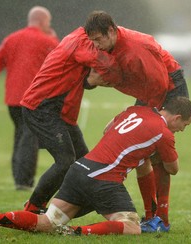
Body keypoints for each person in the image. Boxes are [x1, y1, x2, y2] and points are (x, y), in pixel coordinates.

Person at [0, 97, 191, 236]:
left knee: (47, 222)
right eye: (184, 125)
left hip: (80, 169)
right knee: (131, 226)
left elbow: (108, 129)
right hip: (104, 179)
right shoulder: (164, 133)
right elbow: (172, 169)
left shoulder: (135, 109)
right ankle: (76, 232)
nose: (182, 130)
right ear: (176, 117)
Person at [83, 10, 189, 230]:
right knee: (142, 153)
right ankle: (151, 216)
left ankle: (162, 219)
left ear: (111, 31)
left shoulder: (135, 48)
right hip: (149, 88)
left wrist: (141, 116)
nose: (96, 45)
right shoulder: (109, 45)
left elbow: (159, 84)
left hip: (169, 87)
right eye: (92, 41)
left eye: (98, 39)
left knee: (159, 153)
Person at [19, 21, 122, 213]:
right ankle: (33, 208)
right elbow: (106, 65)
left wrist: (97, 80)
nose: (100, 45)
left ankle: (75, 207)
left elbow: (83, 79)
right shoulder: (81, 42)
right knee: (65, 160)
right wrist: (125, 63)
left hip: (61, 113)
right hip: (42, 108)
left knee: (84, 163)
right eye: (98, 40)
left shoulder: (81, 40)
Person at [0, 6, 59, 190]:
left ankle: (18, 177)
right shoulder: (46, 40)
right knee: (30, 137)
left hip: (12, 100)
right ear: (42, 22)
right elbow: (62, 56)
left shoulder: (11, 39)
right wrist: (54, 37)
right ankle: (24, 182)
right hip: (33, 99)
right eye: (48, 22)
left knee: (20, 136)